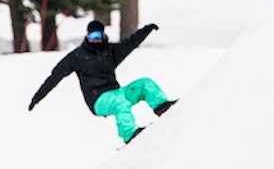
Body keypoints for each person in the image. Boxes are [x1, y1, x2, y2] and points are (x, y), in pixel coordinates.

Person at [28, 19, 176, 144]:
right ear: (87, 36)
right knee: (120, 103)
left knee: (144, 83)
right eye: (92, 36)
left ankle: (161, 106)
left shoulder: (110, 51)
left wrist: (146, 30)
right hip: (98, 100)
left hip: (117, 92)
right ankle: (129, 134)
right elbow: (54, 77)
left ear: (103, 35)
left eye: (98, 35)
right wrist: (36, 98)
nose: (95, 39)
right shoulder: (77, 56)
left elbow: (131, 43)